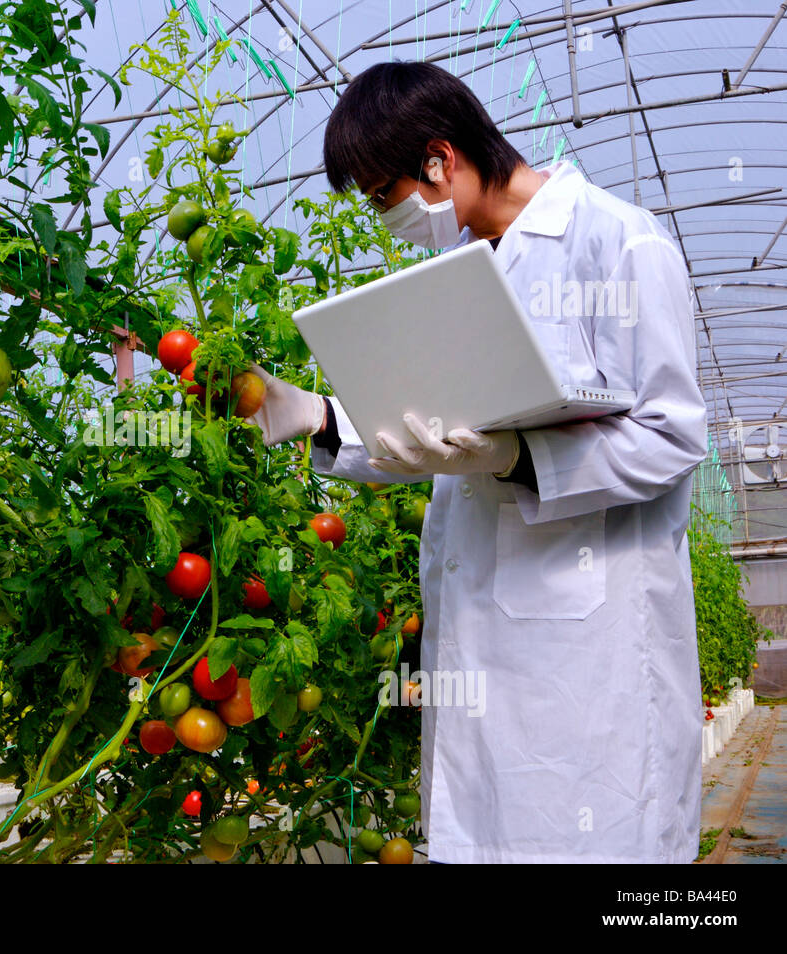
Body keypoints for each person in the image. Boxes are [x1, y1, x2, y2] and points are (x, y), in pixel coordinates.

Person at [247, 61, 709, 863]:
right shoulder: (463, 276)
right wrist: (313, 416)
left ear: (438, 160)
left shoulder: (617, 243)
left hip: (588, 668)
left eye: (382, 196)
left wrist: (519, 459)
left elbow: (671, 438)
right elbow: (429, 432)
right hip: (485, 654)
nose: (384, 219)